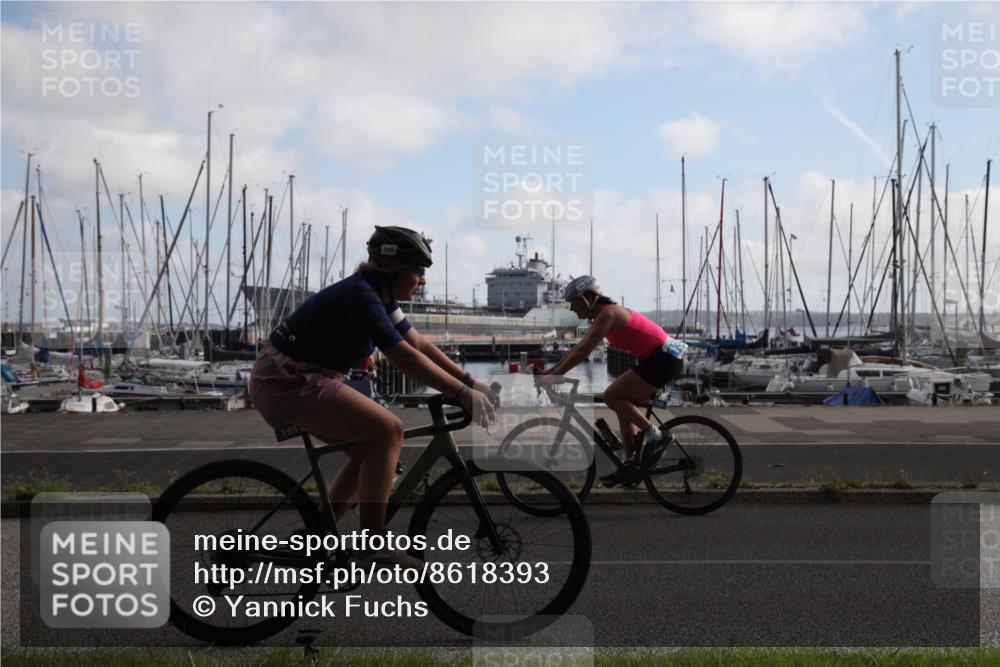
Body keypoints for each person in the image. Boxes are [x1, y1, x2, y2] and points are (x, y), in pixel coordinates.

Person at [249, 226, 497, 568]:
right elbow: (404, 357)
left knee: (370, 451)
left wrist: (470, 382)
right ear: (391, 268)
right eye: (418, 270)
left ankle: (318, 534)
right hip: (287, 380)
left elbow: (417, 343)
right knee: (389, 431)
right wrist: (463, 394)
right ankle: (372, 542)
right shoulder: (363, 295)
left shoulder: (381, 297)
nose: (423, 279)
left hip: (300, 377)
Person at [537, 275, 685, 486]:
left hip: (664, 359)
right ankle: (629, 465)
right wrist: (551, 371)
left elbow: (584, 351)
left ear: (588, 298)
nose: (571, 308)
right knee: (622, 403)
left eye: (573, 302)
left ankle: (658, 436)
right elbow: (579, 348)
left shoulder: (609, 313)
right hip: (659, 358)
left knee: (612, 396)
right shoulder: (602, 315)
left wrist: (554, 376)